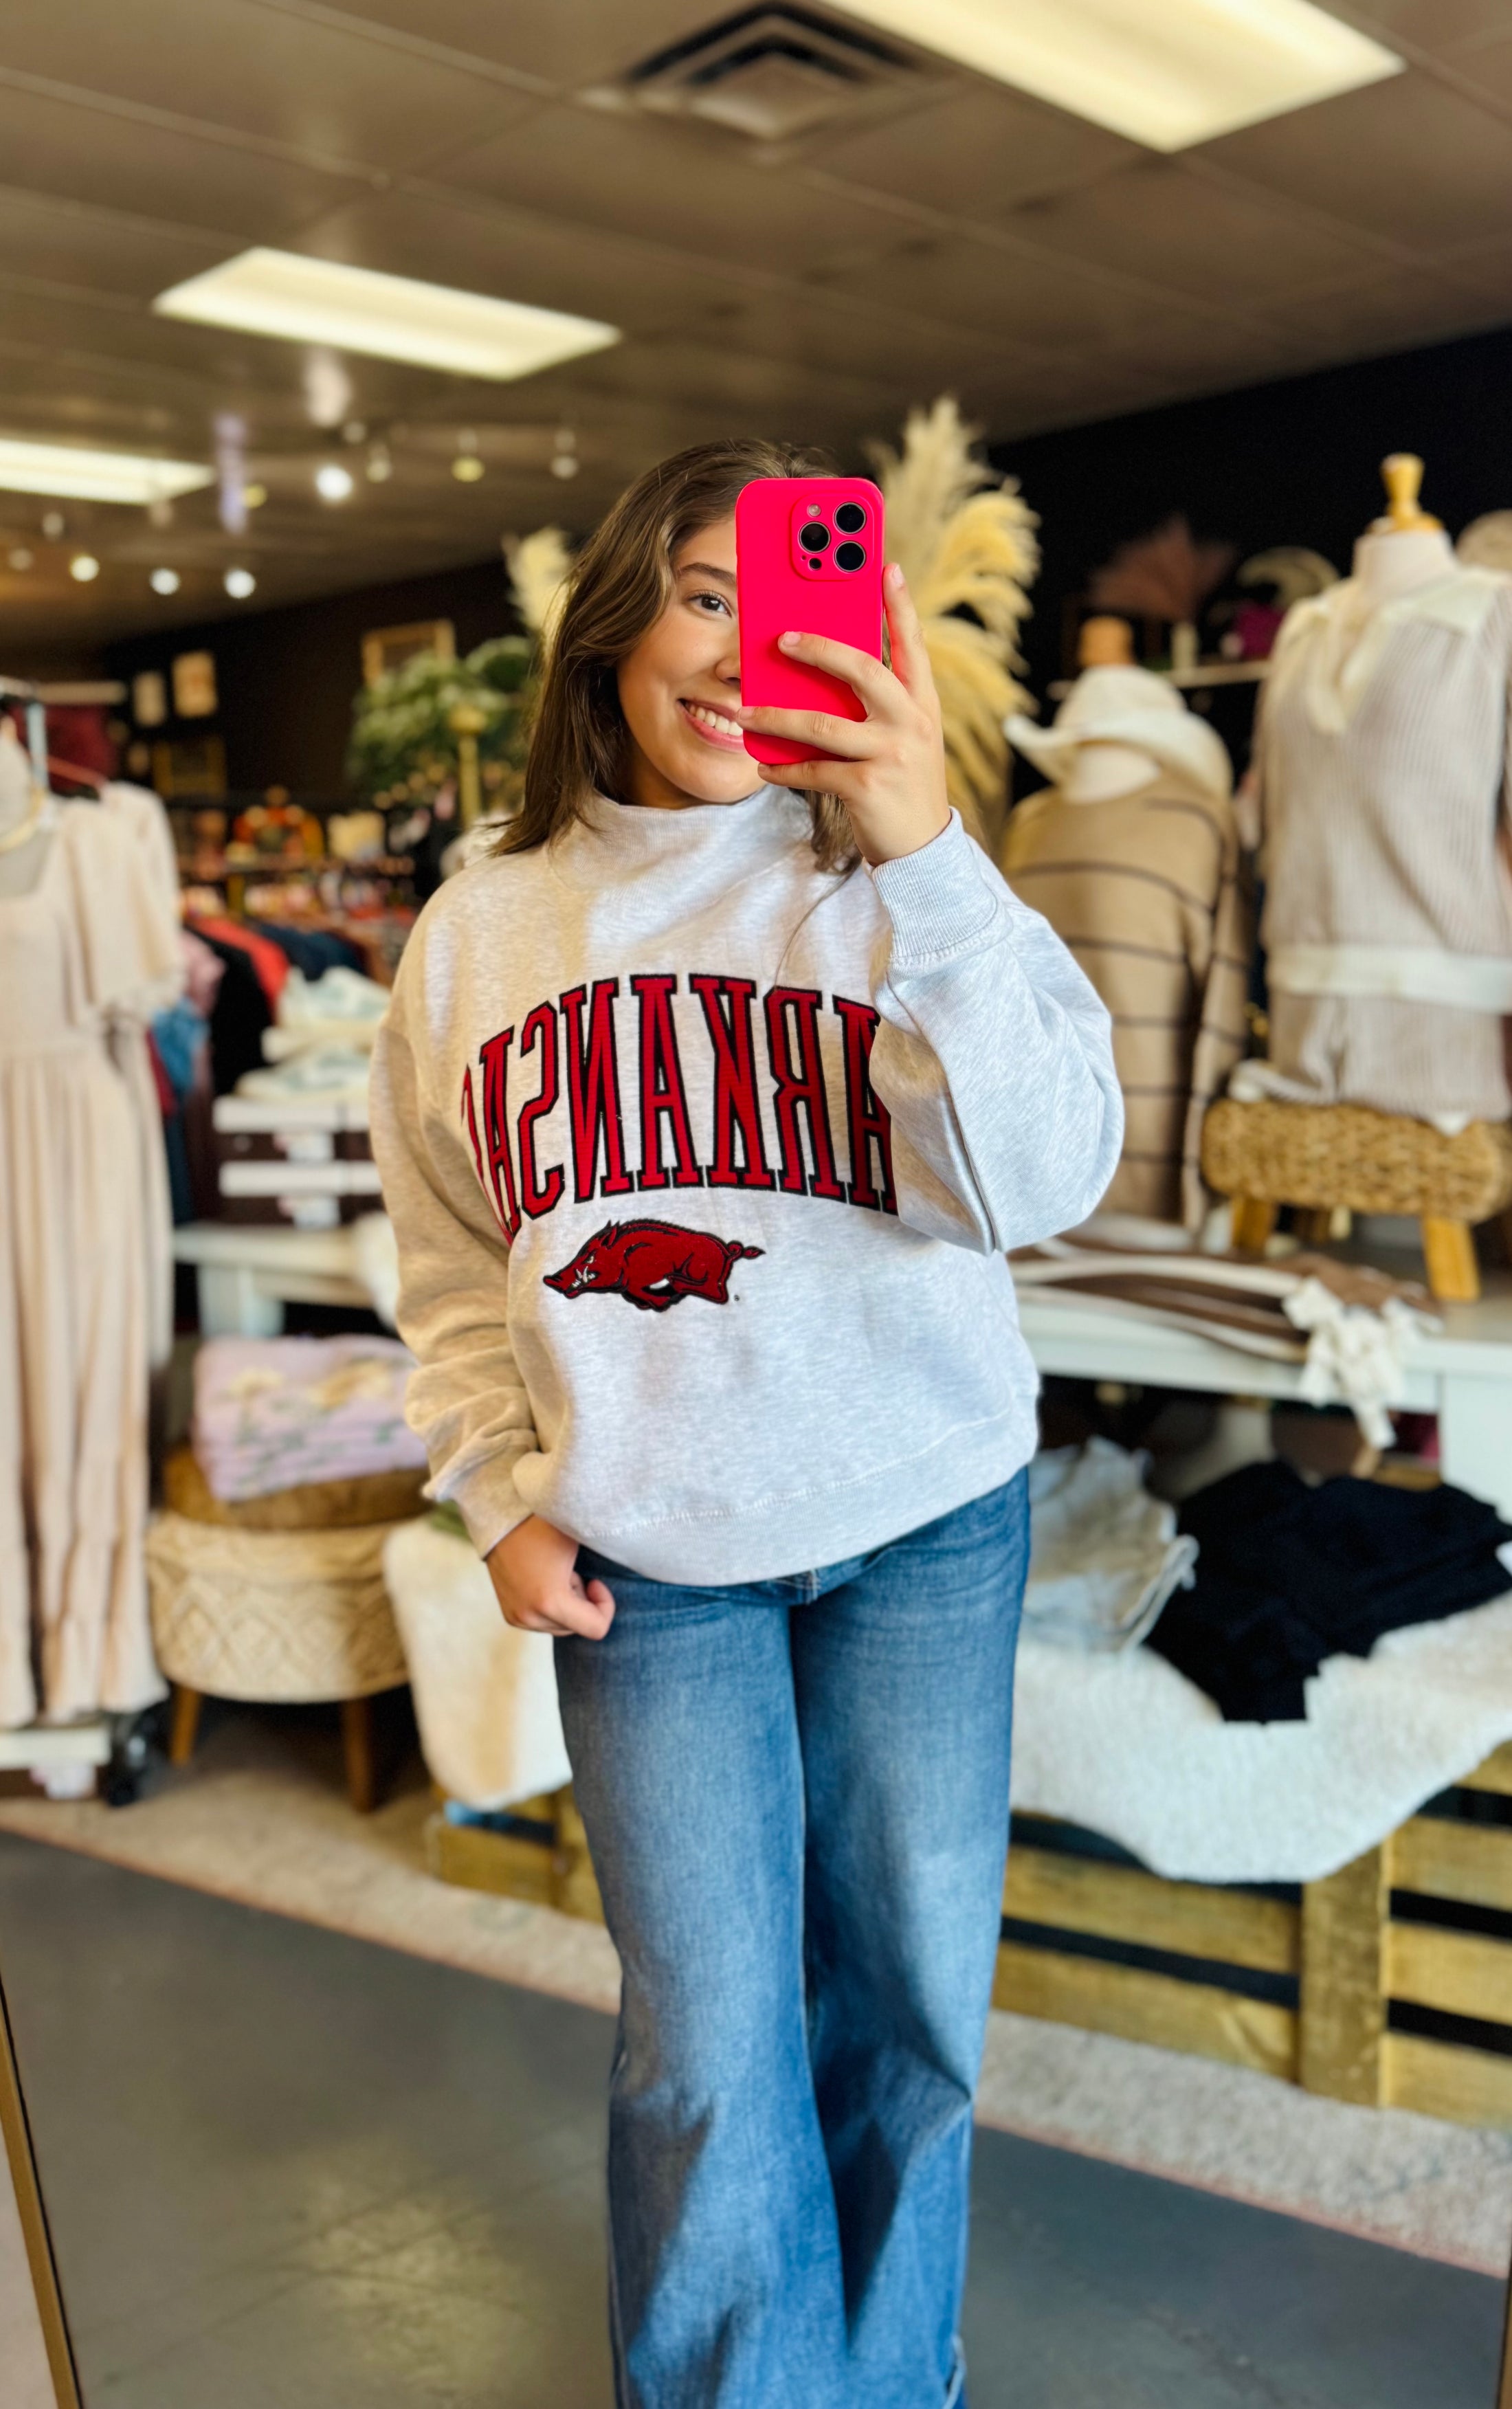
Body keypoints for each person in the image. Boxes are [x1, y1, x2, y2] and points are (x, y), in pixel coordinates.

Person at [370, 438, 1120, 2409]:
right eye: (701, 589)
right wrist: (491, 1489)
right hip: (654, 1558)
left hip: (928, 1520)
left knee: (908, 2018)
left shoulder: (895, 882)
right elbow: (450, 1264)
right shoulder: (477, 935)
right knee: (707, 2048)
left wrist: (933, 853)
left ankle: (892, 2384)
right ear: (613, 615)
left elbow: (1048, 1175)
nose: (732, 647)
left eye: (785, 595)